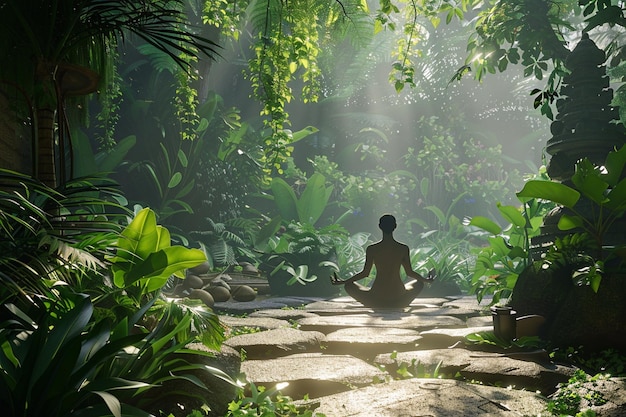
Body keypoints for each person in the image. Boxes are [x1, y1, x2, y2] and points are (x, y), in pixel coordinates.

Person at [330, 214, 435, 308]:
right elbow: (409, 272)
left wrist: (344, 281)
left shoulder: (372, 249)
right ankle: (397, 303)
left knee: (349, 286)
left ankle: (375, 303)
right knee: (419, 283)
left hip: (377, 297)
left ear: (380, 226)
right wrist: (426, 280)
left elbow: (365, 273)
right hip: (399, 297)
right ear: (395, 227)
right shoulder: (403, 248)